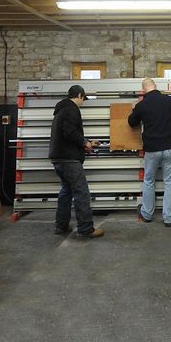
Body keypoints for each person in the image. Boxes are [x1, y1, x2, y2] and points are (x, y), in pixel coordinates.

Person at [128, 77, 171, 227]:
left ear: (143, 90)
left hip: (152, 149)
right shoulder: (169, 100)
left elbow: (132, 123)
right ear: (156, 86)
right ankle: (169, 218)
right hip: (170, 147)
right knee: (169, 182)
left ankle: (146, 214)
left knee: (149, 181)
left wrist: (134, 109)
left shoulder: (142, 105)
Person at [48, 84, 104, 238]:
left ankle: (61, 226)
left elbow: (68, 133)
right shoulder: (71, 109)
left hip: (59, 158)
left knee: (67, 191)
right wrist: (84, 143)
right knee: (82, 192)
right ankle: (85, 229)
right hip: (69, 160)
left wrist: (87, 142)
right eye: (83, 99)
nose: (82, 102)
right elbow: (70, 131)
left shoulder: (61, 110)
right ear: (79, 95)